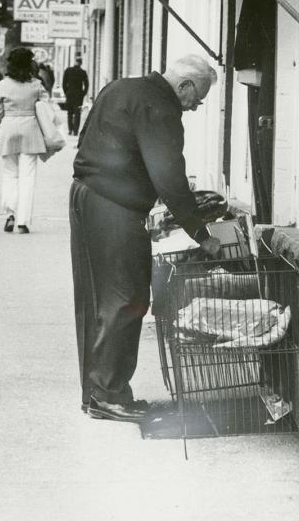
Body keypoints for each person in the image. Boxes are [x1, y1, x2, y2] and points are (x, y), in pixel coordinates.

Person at [69, 54, 221, 422]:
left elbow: (86, 135)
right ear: (183, 85)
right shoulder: (161, 107)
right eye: (196, 98)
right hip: (115, 207)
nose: (194, 107)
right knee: (127, 296)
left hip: (86, 195)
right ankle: (109, 394)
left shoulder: (121, 86)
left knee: (96, 297)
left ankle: (97, 393)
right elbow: (169, 175)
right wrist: (200, 233)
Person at [0, 46, 49, 235]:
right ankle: (23, 221)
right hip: (30, 131)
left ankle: (10, 213)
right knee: (28, 177)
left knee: (10, 174)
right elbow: (46, 108)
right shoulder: (36, 85)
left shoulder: (3, 85)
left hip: (9, 130)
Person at [62, 55, 89, 136]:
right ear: (81, 63)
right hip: (78, 95)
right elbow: (87, 84)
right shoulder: (83, 72)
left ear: (74, 62)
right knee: (77, 113)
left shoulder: (68, 71)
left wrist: (66, 92)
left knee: (69, 113)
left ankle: (70, 130)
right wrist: (83, 93)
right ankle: (76, 131)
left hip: (69, 94)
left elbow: (64, 83)